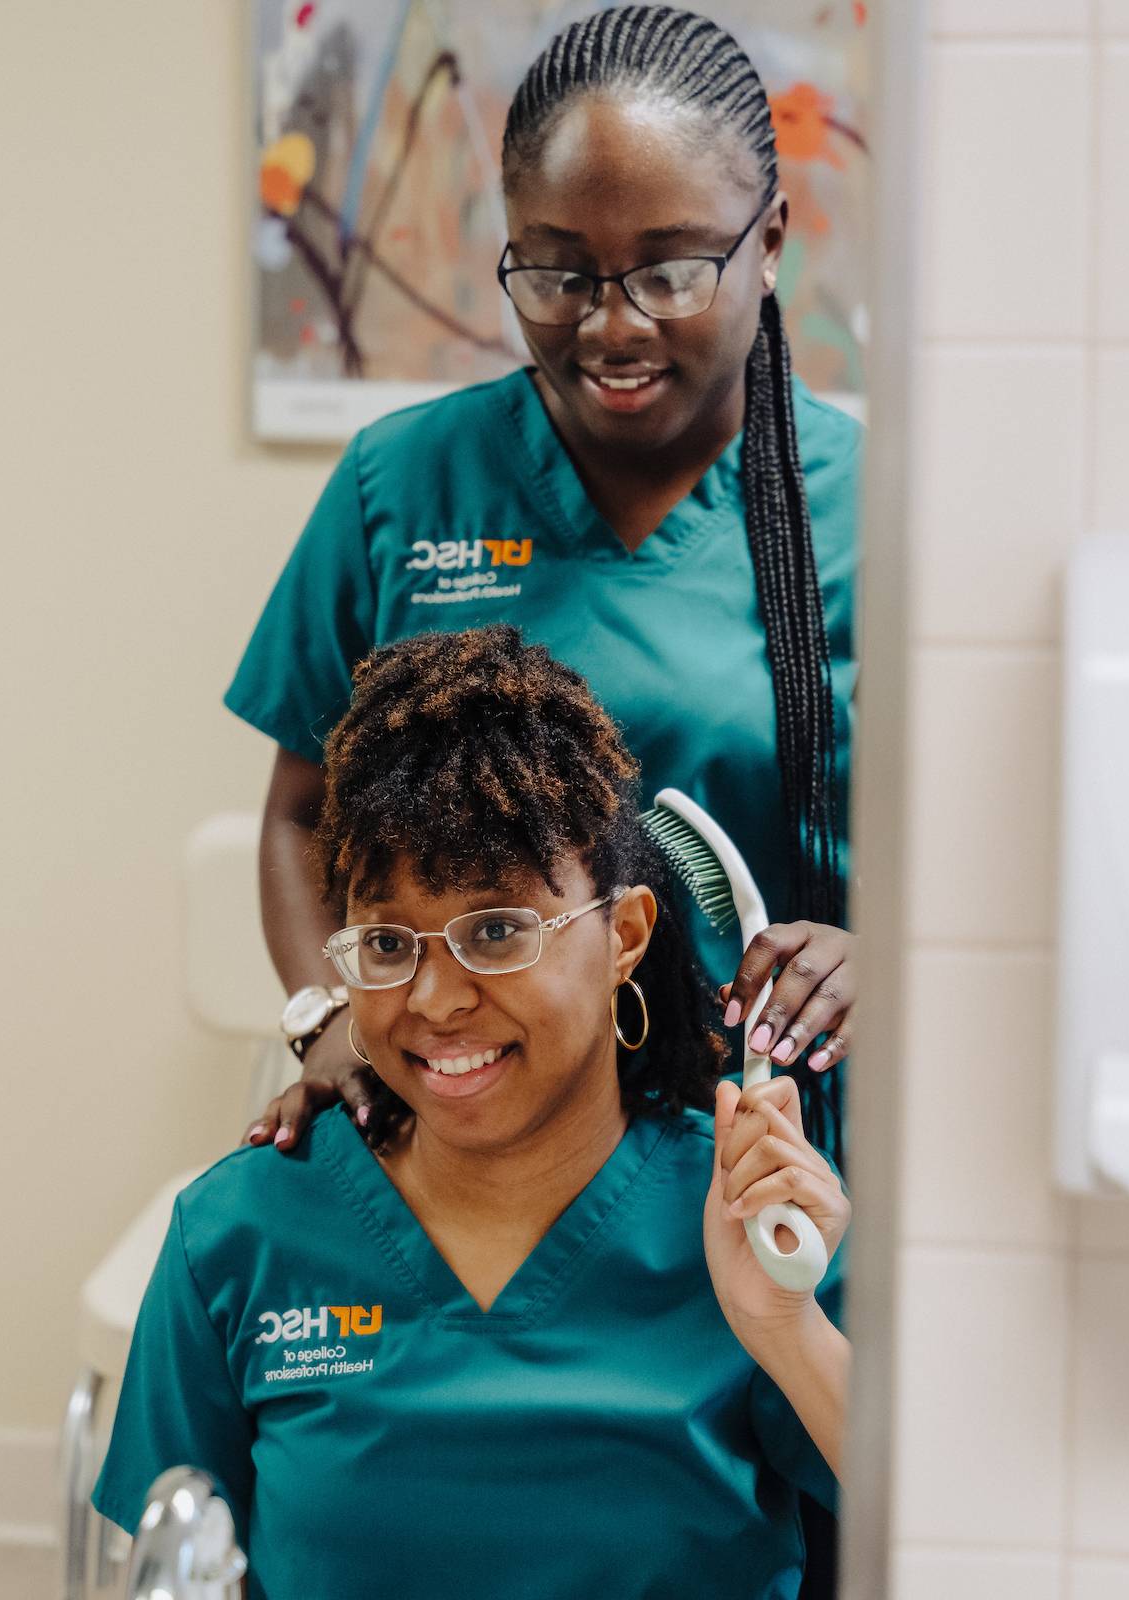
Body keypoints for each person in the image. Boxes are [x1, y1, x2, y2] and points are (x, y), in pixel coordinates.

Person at [235, 7, 863, 1195]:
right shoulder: (401, 484)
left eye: (673, 271)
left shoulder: (872, 515)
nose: (612, 325)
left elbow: (979, 869)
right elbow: (297, 817)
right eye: (559, 272)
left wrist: (881, 962)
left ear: (769, 239)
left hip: (762, 1156)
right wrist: (327, 1017)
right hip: (465, 1143)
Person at [96, 627, 849, 1599]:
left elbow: (957, 1540)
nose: (438, 999)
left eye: (496, 930)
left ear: (623, 934)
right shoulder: (239, 1237)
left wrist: (786, 1327)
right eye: (387, 941)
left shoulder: (756, 1229)